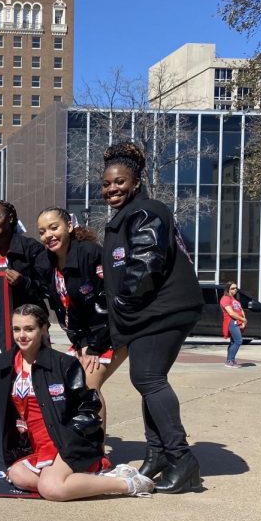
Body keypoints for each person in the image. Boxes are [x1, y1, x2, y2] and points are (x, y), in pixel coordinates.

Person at [100, 142, 203, 493]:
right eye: (107, 183)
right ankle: (158, 453)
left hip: (162, 310)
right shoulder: (128, 215)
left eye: (120, 182)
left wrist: (125, 304)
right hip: (150, 312)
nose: (112, 189)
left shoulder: (146, 212)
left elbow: (146, 262)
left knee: (149, 378)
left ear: (136, 182)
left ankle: (181, 458)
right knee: (147, 379)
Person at [0, 304, 154, 500]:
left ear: (44, 329)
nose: (22, 335)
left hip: (65, 439)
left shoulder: (64, 363)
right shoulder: (4, 364)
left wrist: (72, 437)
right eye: (17, 329)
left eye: (29, 329)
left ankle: (127, 483)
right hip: (37, 444)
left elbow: (89, 405)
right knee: (17, 475)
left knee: (51, 489)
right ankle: (87, 481)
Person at [37, 207, 127, 430]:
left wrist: (94, 347)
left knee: (88, 385)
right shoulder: (45, 263)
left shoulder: (90, 252)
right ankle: (81, 443)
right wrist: (82, 344)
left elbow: (111, 300)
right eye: (42, 231)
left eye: (54, 227)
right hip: (84, 338)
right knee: (70, 384)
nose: (48, 235)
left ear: (69, 226)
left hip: (111, 333)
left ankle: (99, 454)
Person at [220, 281, 246, 368]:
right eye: (232, 288)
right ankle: (230, 360)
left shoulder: (234, 299)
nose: (235, 290)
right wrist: (242, 319)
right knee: (238, 341)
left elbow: (240, 309)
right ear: (228, 289)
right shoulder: (225, 299)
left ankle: (230, 360)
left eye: (236, 288)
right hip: (231, 321)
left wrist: (243, 320)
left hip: (237, 321)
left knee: (233, 341)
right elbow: (231, 313)